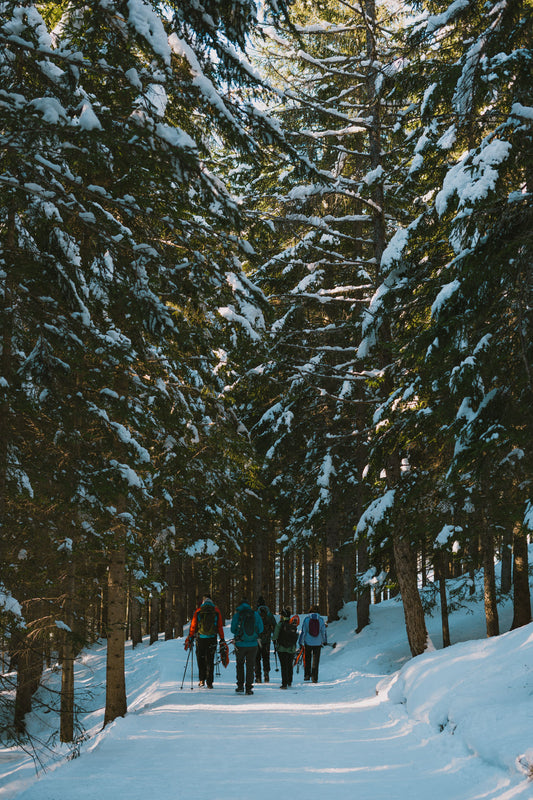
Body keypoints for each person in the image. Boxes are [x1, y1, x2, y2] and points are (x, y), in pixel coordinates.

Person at [186, 594, 225, 689]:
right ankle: (210, 682)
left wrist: (190, 636)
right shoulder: (216, 611)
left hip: (201, 638)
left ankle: (201, 680)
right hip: (212, 638)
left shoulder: (198, 611)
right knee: (210, 659)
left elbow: (193, 625)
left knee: (201, 659)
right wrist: (222, 638)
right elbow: (219, 626)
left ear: (203, 602)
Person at [230, 598, 263, 695]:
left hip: (240, 644)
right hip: (253, 644)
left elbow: (232, 629)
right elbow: (261, 628)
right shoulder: (255, 614)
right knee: (250, 665)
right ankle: (249, 688)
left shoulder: (237, 615)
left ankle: (240, 686)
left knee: (240, 664)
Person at [298, 604, 327, 683]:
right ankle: (314, 678)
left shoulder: (307, 619)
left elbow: (303, 632)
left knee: (307, 659)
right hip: (318, 643)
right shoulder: (321, 620)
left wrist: (300, 642)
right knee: (316, 661)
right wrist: (324, 641)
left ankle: (307, 675)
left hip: (308, 642)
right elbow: (323, 632)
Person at [272, 607, 298, 689]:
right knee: (289, 665)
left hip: (281, 648)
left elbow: (275, 636)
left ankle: (284, 684)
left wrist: (273, 639)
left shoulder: (280, 624)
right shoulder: (292, 623)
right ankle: (289, 681)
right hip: (291, 648)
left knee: (284, 666)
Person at [255, 596, 277, 683]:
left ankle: (258, 676)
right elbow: (275, 626)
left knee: (257, 658)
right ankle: (266, 674)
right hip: (267, 640)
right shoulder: (269, 614)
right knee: (266, 657)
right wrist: (274, 637)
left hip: (257, 640)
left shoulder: (256, 614)